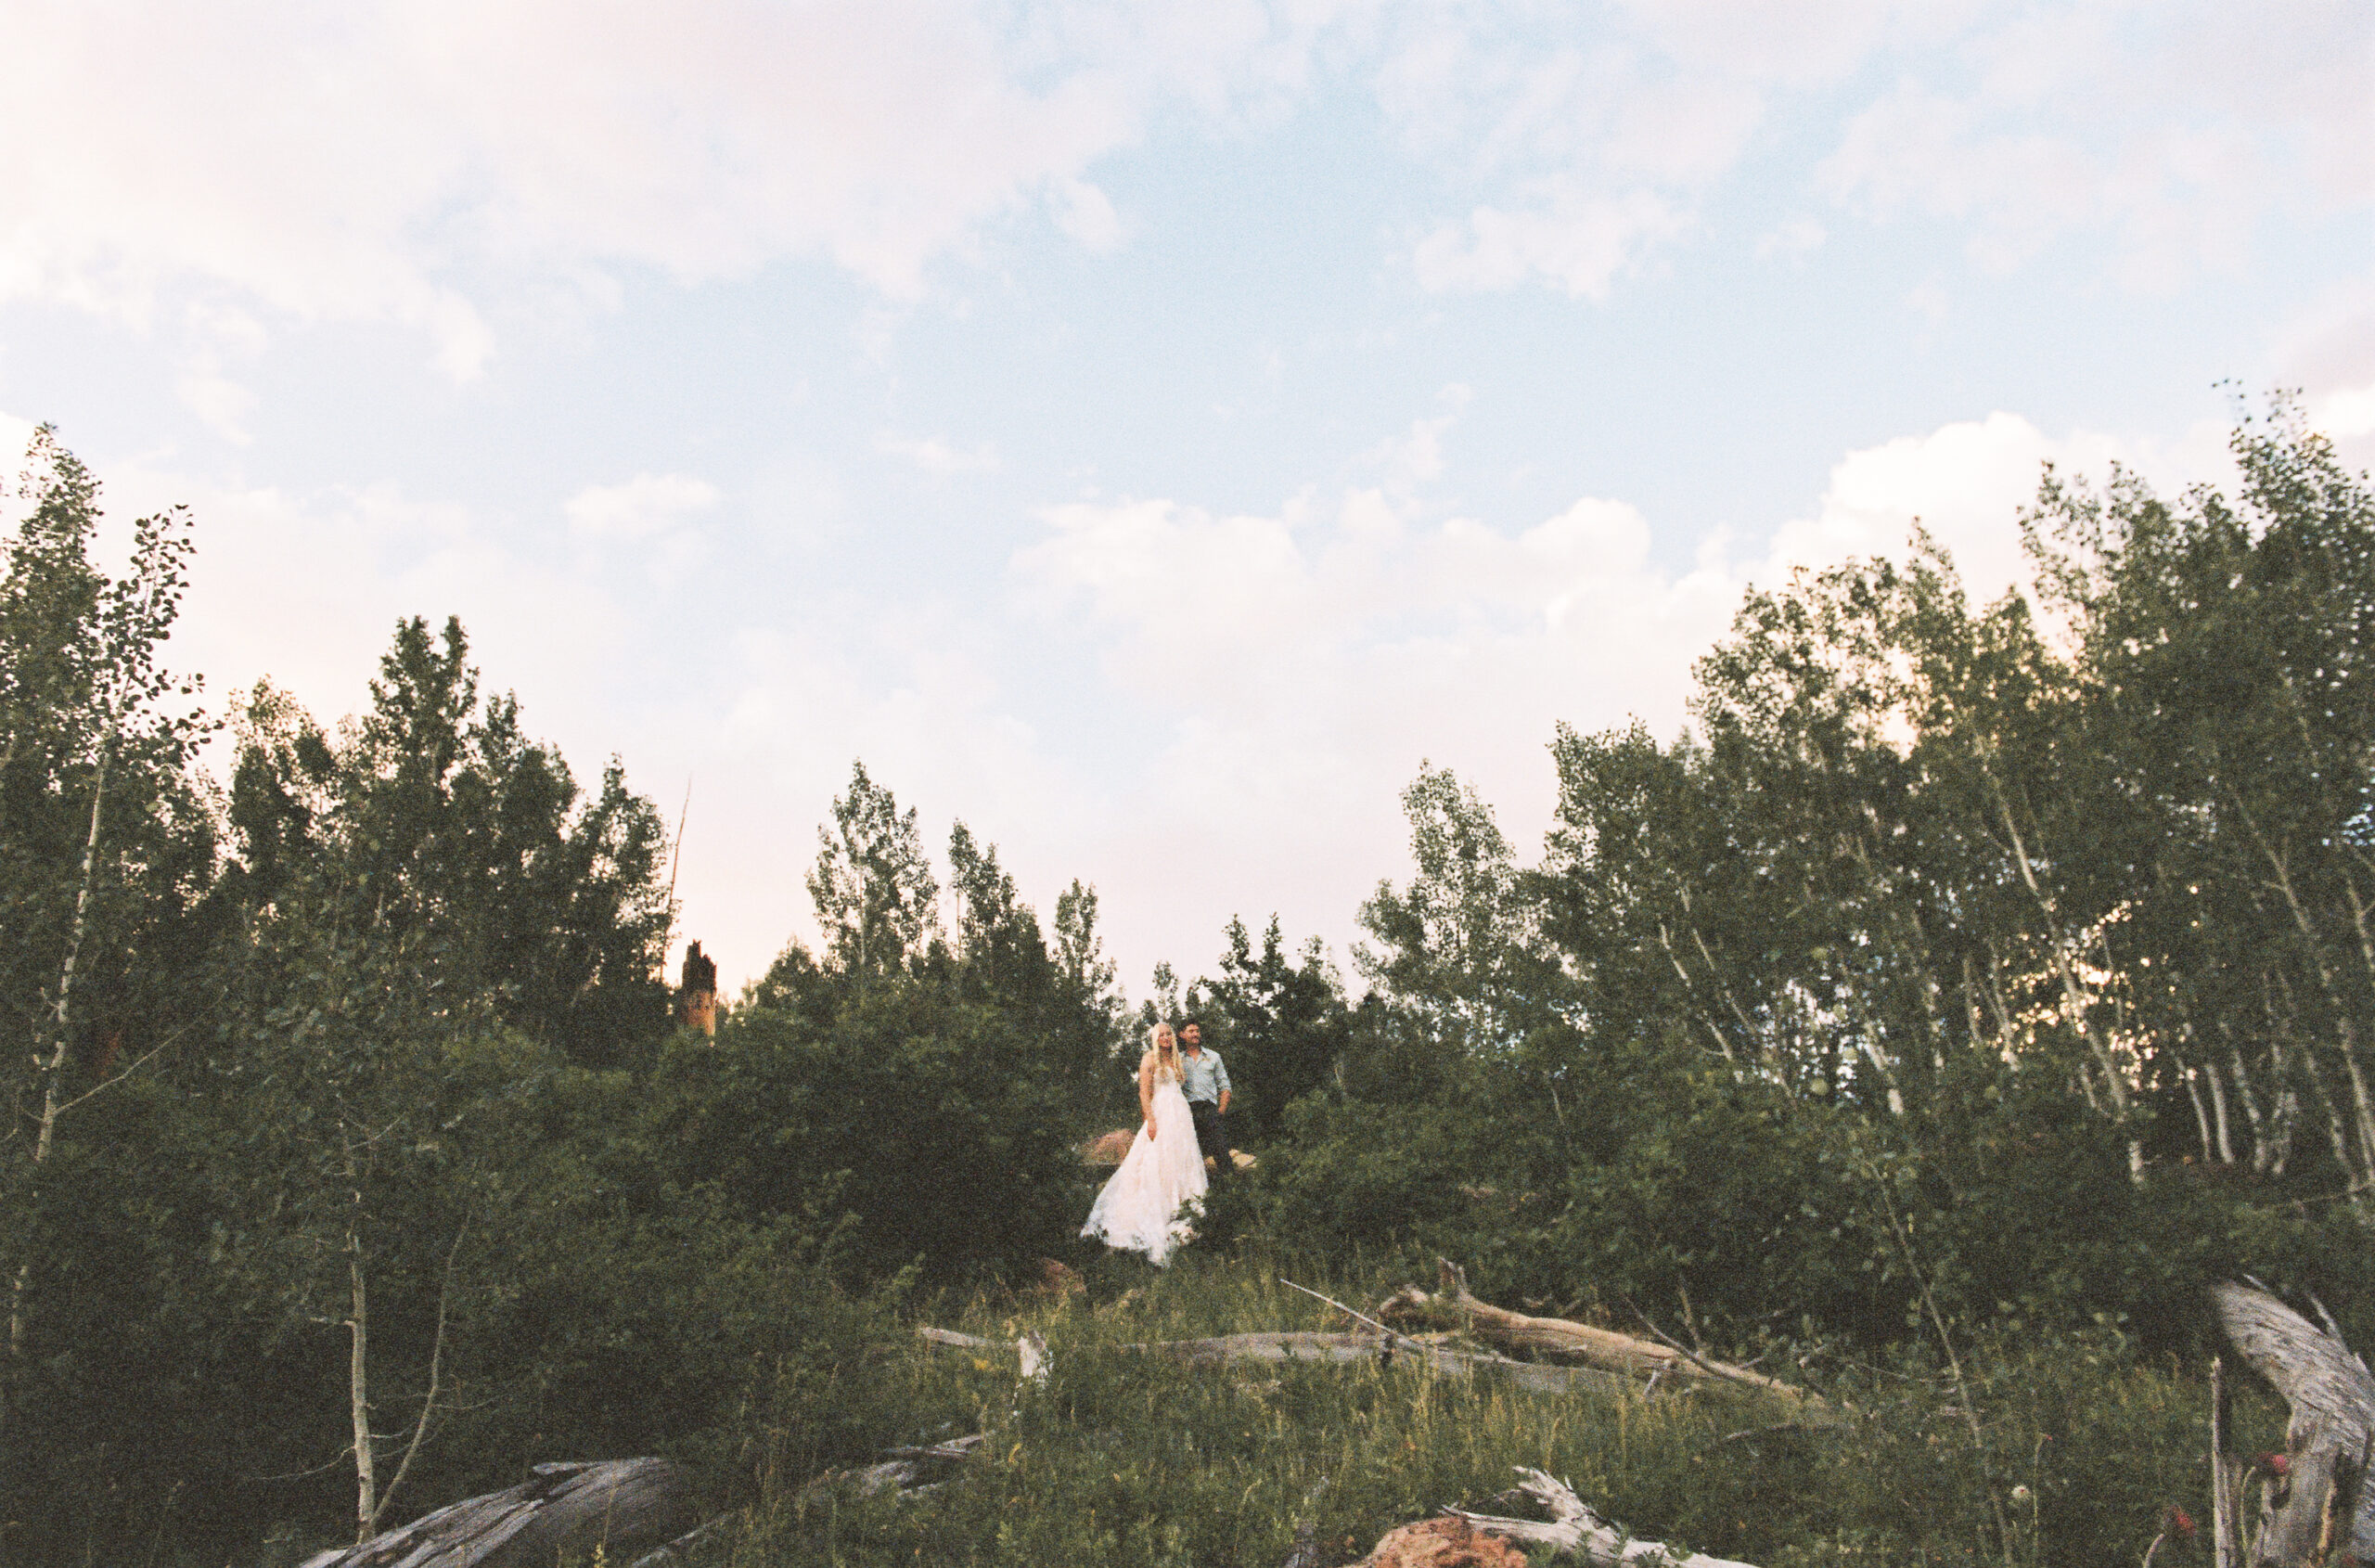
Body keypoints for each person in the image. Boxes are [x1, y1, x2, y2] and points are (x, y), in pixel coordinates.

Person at [1080, 1022, 1208, 1266]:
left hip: (1180, 1113)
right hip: (1161, 1113)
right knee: (1155, 1160)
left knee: (1182, 1159)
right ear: (1154, 1038)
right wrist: (1150, 1119)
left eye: (1168, 1033)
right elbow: (1143, 1093)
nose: (1166, 1037)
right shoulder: (1150, 1058)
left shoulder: (1176, 1060)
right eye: (1161, 1035)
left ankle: (1184, 1208)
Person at [1177, 1016, 1232, 1181]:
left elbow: (1225, 1086)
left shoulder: (1213, 1057)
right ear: (1182, 1035)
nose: (1195, 1034)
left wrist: (1221, 1110)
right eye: (1191, 1031)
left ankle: (1232, 1191)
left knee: (1221, 1151)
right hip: (1187, 1111)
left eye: (1197, 1031)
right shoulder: (1177, 1059)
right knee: (1190, 1154)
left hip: (1209, 1109)